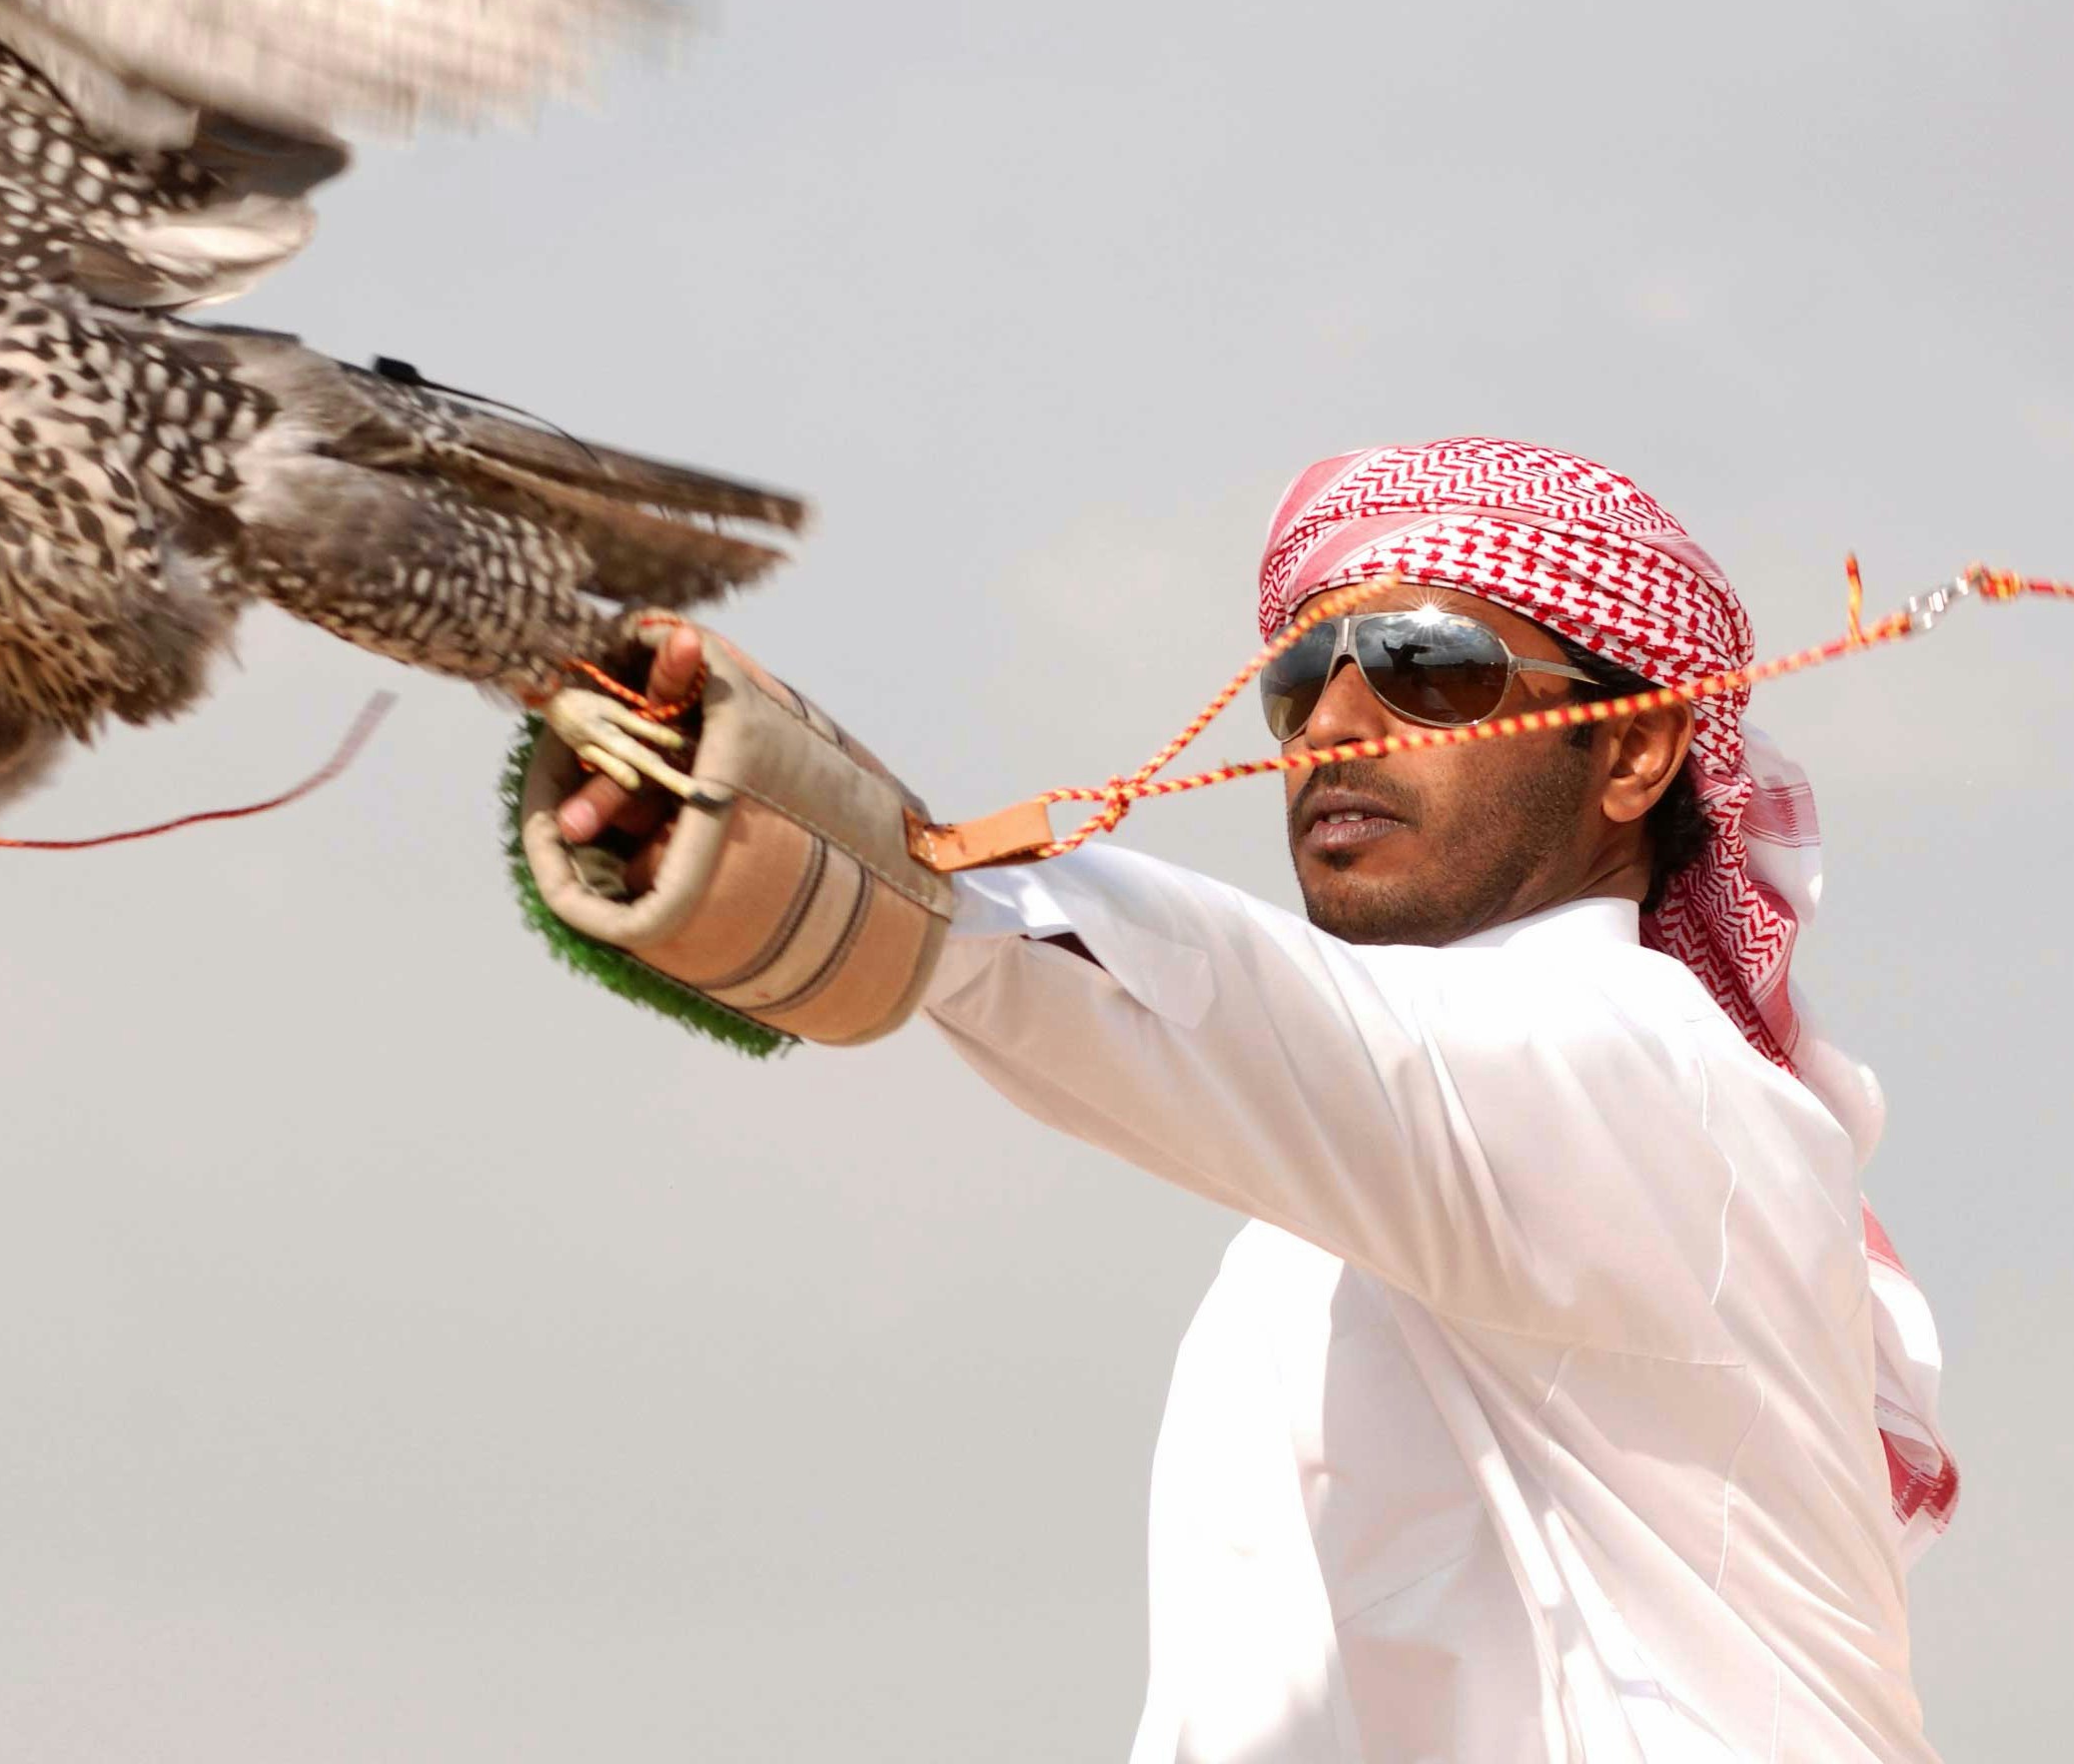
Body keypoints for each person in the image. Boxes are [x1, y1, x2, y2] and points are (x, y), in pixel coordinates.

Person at [551, 438, 1955, 1764]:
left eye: (1426, 665)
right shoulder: (1327, 1209)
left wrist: (843, 842)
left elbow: (1234, 998)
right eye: (1302, 679)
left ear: (1633, 752)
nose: (1335, 727)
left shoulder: (1662, 1088)